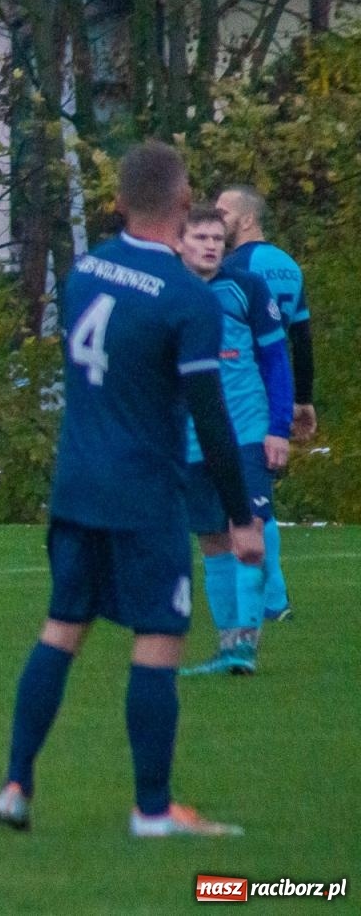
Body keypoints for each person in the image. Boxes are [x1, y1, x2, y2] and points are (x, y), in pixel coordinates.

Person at [0, 143, 264, 838]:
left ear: (118, 202)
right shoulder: (185, 299)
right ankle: (152, 808)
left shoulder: (85, 271)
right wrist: (243, 516)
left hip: (77, 485)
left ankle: (17, 783)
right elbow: (211, 416)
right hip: (144, 495)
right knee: (160, 636)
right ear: (182, 204)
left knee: (62, 628)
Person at [174, 207, 292, 677]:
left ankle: (246, 645)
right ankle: (228, 648)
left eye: (217, 238)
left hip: (244, 429)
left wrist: (278, 426)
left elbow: (275, 359)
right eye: (200, 237)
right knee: (212, 540)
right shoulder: (169, 294)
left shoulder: (246, 288)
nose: (209, 246)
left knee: (252, 532)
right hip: (189, 438)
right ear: (180, 242)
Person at [218, 186, 312, 622]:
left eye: (224, 211)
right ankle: (271, 595)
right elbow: (301, 338)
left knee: (248, 501)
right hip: (274, 390)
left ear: (248, 220)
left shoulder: (238, 270)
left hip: (243, 391)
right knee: (258, 497)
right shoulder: (289, 266)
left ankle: (272, 597)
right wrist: (302, 399)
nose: (216, 219)